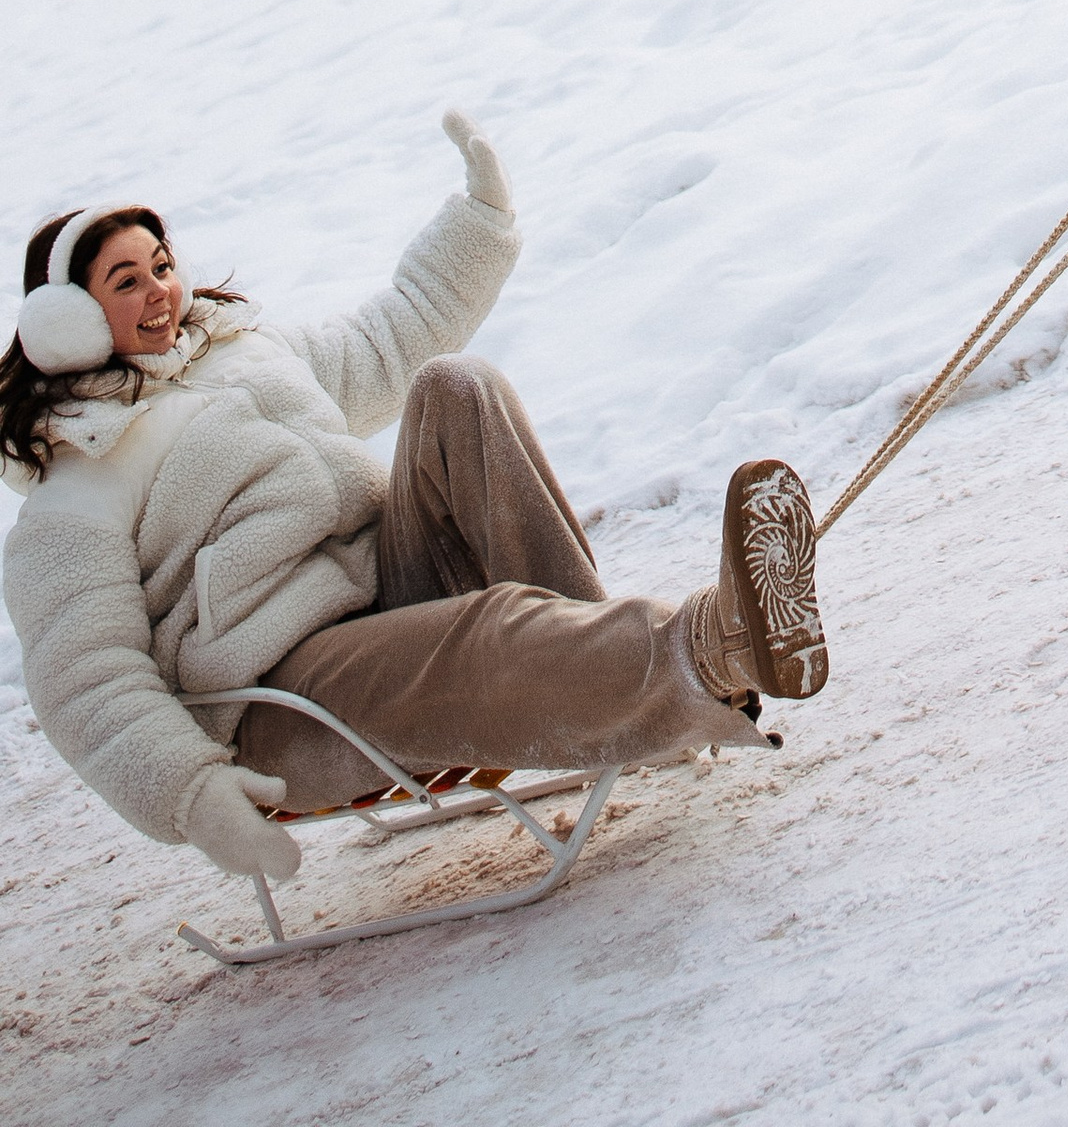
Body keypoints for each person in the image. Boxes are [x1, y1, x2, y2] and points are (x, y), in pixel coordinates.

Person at [1, 113, 828, 888]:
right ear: (69, 320)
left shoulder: (246, 351)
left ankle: (605, 683)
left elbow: (390, 339)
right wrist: (188, 794)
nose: (160, 292)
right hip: (282, 687)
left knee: (454, 386)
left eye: (162, 265)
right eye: (126, 281)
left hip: (387, 587)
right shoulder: (78, 482)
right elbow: (84, 678)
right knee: (484, 629)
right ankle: (712, 652)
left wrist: (480, 219)